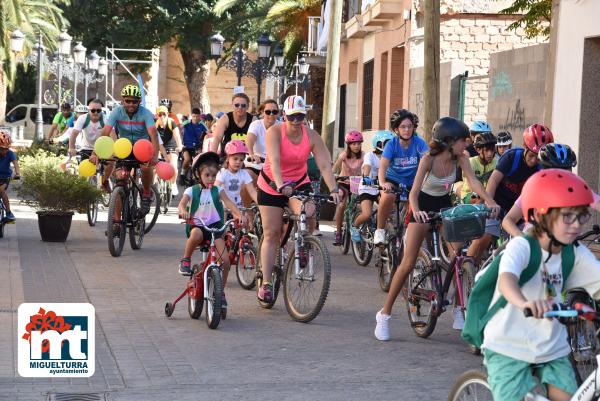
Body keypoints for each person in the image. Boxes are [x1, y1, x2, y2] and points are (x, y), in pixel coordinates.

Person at [374, 117, 500, 341]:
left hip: (444, 206)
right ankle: (384, 314)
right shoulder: (428, 160)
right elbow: (413, 193)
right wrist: (417, 211)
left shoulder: (461, 158)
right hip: (421, 207)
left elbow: (474, 183)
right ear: (449, 140)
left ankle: (459, 309)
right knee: (408, 263)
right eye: (463, 140)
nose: (467, 144)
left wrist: (489, 201)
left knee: (457, 256)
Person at [482, 169, 600, 401]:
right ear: (539, 215)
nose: (576, 225)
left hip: (552, 347)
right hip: (509, 345)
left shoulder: (575, 254)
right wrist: (525, 302)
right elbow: (507, 281)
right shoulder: (523, 247)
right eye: (567, 216)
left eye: (581, 216)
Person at [256, 95, 340, 303]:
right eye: (292, 116)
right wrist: (280, 183)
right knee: (272, 233)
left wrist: (334, 188)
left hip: (298, 182)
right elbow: (274, 160)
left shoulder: (311, 135)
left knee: (309, 210)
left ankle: (303, 243)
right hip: (272, 184)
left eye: (300, 116)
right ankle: (266, 283)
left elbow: (324, 165)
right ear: (284, 115)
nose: (295, 121)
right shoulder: (274, 132)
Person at [178, 151, 245, 311]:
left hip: (215, 229)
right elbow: (182, 204)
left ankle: (220, 291)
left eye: (213, 175)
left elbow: (229, 203)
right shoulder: (191, 190)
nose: (211, 179)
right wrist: (183, 211)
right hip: (198, 225)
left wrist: (239, 215)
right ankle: (185, 260)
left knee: (226, 261)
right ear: (197, 174)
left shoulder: (217, 190)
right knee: (196, 234)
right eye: (207, 175)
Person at [502, 143, 600, 237]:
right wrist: (523, 239)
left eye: (567, 170)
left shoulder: (576, 188)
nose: (562, 177)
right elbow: (508, 220)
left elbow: (597, 202)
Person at [92, 84, 159, 217]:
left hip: (142, 147)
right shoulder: (117, 112)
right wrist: (95, 153)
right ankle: (116, 222)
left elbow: (153, 134)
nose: (131, 104)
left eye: (134, 101)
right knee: (119, 180)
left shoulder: (145, 113)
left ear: (139, 101)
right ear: (123, 101)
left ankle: (146, 192)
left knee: (146, 168)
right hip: (124, 148)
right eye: (128, 101)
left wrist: (155, 156)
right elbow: (105, 131)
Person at [373, 109, 427, 245]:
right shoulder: (392, 144)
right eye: (403, 127)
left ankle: (409, 232)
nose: (407, 130)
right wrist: (383, 182)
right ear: (396, 129)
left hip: (412, 182)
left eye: (410, 126)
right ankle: (379, 230)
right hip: (393, 180)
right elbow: (383, 166)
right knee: (388, 196)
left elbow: (428, 160)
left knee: (418, 203)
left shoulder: (419, 143)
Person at [486, 123, 554, 214]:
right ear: (524, 146)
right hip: (497, 204)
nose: (533, 160)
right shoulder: (511, 157)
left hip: (518, 211)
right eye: (531, 155)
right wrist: (490, 203)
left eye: (538, 157)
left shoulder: (541, 168)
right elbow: (493, 181)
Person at [461, 132, 499, 263]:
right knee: (479, 199)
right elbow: (473, 185)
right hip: (470, 195)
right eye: (486, 150)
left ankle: (475, 263)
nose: (490, 153)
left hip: (488, 198)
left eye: (492, 150)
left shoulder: (497, 163)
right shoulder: (471, 162)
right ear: (477, 150)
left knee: (486, 236)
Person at [350, 130, 394, 242]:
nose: (387, 146)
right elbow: (367, 167)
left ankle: (381, 232)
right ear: (377, 144)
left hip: (382, 188)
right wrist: (366, 177)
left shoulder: (392, 157)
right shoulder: (370, 155)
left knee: (388, 210)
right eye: (384, 143)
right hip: (367, 188)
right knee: (367, 213)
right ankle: (354, 227)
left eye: (390, 143)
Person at [332, 130, 364, 245]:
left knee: (362, 205)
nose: (356, 146)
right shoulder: (344, 155)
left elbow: (367, 168)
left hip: (357, 183)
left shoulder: (364, 155)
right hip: (344, 182)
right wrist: (334, 176)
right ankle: (339, 233)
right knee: (341, 204)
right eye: (353, 143)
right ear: (348, 145)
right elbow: (334, 168)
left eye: (359, 143)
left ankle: (358, 227)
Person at [215, 140, 258, 208]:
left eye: (241, 160)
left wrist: (260, 204)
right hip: (225, 208)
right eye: (235, 159)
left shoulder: (244, 173)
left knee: (245, 216)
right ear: (228, 158)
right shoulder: (223, 173)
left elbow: (252, 191)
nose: (238, 162)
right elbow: (216, 188)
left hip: (239, 207)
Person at [246, 99, 280, 178]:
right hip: (256, 164)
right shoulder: (256, 124)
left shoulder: (282, 126)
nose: (271, 114)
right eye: (268, 112)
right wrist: (251, 154)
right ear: (262, 112)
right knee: (246, 178)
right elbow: (249, 140)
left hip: (275, 166)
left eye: (274, 112)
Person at [155, 105, 183, 196]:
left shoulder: (171, 122)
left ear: (167, 114)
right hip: (160, 146)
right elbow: (155, 140)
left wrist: (179, 146)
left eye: (164, 114)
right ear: (157, 115)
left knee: (174, 167)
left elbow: (177, 136)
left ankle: (173, 183)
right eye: (160, 114)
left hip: (171, 146)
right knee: (154, 167)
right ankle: (153, 186)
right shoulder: (155, 125)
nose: (162, 116)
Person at [180, 107, 207, 184]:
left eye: (197, 116)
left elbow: (209, 133)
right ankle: (182, 174)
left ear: (200, 116)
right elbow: (178, 129)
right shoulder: (187, 122)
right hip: (186, 146)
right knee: (187, 159)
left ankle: (195, 176)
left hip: (197, 146)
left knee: (198, 161)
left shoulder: (202, 124)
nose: (195, 118)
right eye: (194, 116)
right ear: (191, 116)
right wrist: (180, 140)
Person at [0, 131, 20, 222]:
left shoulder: (10, 153)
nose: (5, 151)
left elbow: (15, 164)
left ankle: (8, 213)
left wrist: (17, 173)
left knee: (1, 190)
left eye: (7, 148)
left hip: (5, 177)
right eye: (2, 149)